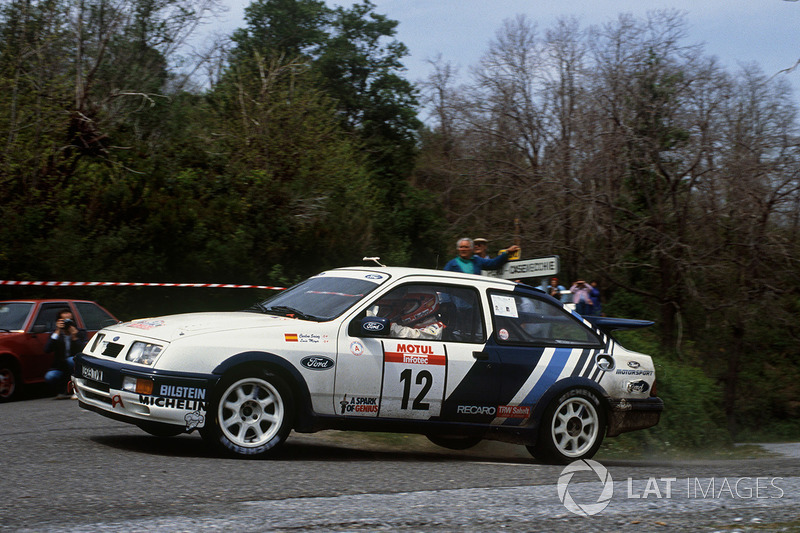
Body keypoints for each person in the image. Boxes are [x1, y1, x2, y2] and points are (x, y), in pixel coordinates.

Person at [370, 289, 447, 340]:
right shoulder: (410, 324)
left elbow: (416, 336)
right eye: (405, 304)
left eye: (410, 304)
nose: (405, 308)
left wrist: (389, 327)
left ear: (426, 304)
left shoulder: (436, 326)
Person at [44, 309, 87, 399]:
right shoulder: (55, 334)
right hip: (61, 367)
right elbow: (47, 349)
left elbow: (84, 351)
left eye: (69, 321)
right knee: (50, 376)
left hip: (76, 366)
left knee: (71, 360)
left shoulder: (80, 332)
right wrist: (57, 331)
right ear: (58, 322)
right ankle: (63, 391)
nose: (67, 324)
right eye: (64, 321)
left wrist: (75, 337)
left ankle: (77, 390)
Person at [443, 237, 520, 275]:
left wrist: (507, 252)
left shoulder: (477, 261)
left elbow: (493, 263)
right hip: (457, 301)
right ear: (458, 249)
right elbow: (444, 283)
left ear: (471, 249)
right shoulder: (451, 264)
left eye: (466, 247)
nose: (463, 249)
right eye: (461, 247)